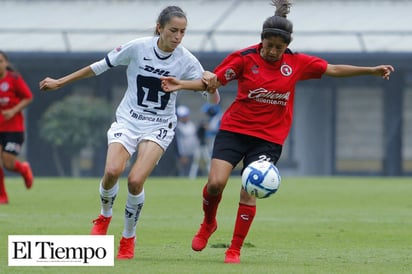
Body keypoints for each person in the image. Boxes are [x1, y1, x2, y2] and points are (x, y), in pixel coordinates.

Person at [160, 0, 394, 264]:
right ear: (261, 41)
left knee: (249, 189)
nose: (272, 52)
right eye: (268, 46)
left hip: (268, 139)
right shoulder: (244, 58)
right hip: (235, 129)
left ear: (287, 46)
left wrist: (371, 70)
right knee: (215, 184)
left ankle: (234, 249)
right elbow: (211, 81)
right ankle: (208, 223)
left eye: (278, 48)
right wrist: (181, 84)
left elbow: (333, 69)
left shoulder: (297, 63)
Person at [39, 5, 220, 260]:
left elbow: (213, 101)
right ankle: (104, 216)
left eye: (183, 32)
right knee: (112, 171)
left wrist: (211, 85)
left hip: (159, 126)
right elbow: (99, 67)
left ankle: (128, 238)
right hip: (128, 120)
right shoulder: (138, 47)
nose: (178, 37)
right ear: (160, 27)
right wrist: (60, 81)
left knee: (135, 181)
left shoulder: (187, 60)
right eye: (173, 30)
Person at [0, 51, 34, 204]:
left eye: (1, 61)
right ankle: (2, 196)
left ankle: (23, 169)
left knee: (8, 164)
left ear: (6, 63)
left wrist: (13, 111)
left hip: (13, 129)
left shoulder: (14, 79)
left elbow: (28, 97)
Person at [175, 105, 199, 177]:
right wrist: (181, 155)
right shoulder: (178, 127)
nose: (185, 118)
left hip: (193, 151)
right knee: (184, 169)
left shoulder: (191, 124)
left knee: (192, 170)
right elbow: (179, 143)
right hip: (184, 153)